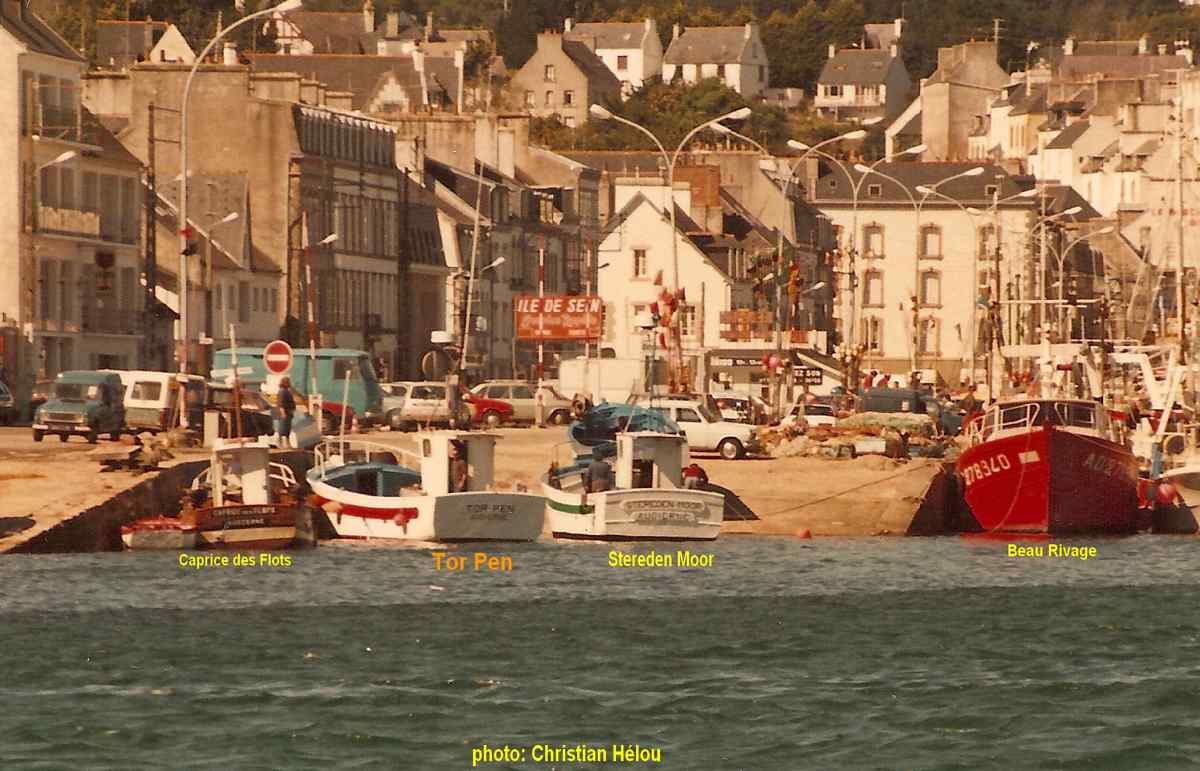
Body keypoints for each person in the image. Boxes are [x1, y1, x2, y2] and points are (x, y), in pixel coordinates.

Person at [278, 377, 297, 449]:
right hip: (285, 413)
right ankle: (280, 443)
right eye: (287, 382)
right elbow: (281, 403)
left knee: (287, 429)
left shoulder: (287, 391)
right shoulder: (282, 391)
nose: (289, 383)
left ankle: (287, 443)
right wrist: (283, 413)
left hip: (288, 413)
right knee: (283, 428)